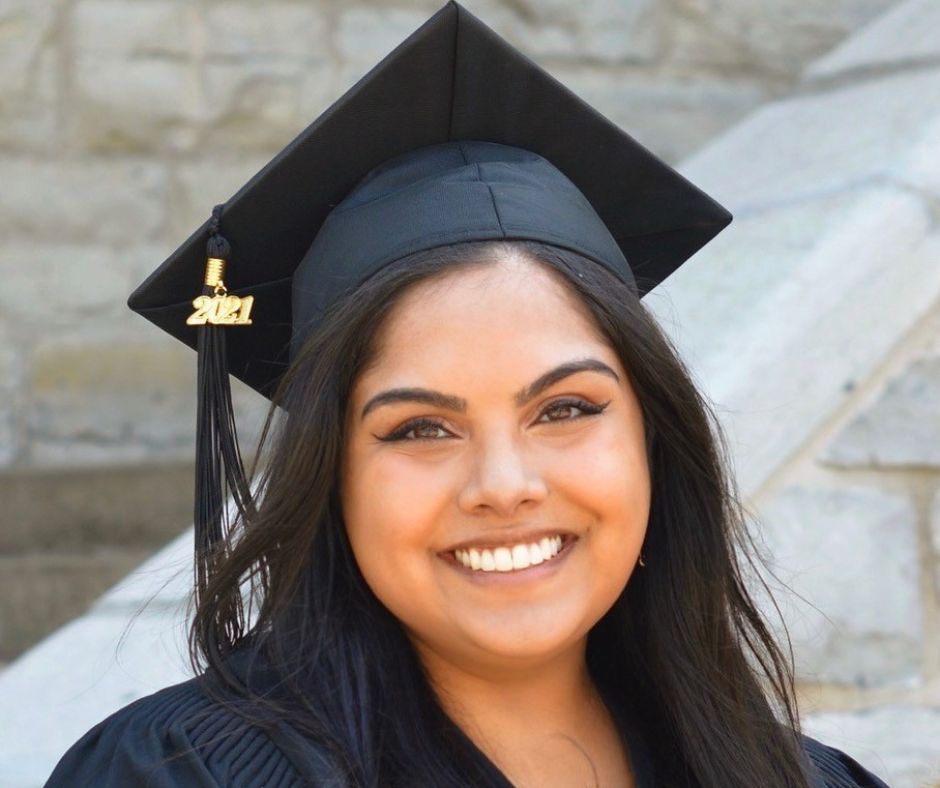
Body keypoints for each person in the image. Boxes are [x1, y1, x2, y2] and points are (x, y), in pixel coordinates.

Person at [46, 3, 890, 787]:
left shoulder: (795, 777)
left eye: (565, 409)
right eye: (419, 429)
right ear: (330, 476)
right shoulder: (180, 773)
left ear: (654, 440)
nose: (503, 483)